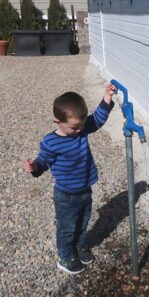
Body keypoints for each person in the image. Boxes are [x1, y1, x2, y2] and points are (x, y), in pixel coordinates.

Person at [23, 83, 116, 275]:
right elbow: (43, 160)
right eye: (74, 127)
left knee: (83, 223)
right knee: (67, 228)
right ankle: (65, 257)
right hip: (66, 195)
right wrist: (35, 167)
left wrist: (107, 97)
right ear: (57, 122)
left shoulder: (81, 129)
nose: (79, 130)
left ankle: (79, 247)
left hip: (85, 189)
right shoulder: (51, 141)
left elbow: (97, 120)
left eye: (82, 125)